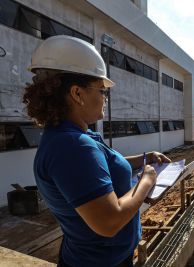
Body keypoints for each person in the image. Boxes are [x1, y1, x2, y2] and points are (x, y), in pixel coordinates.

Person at [22, 35, 171, 267]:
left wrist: (144, 158)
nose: (105, 99)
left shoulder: (76, 136)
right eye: (102, 91)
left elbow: (106, 164)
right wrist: (147, 180)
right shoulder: (73, 147)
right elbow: (109, 222)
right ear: (77, 94)